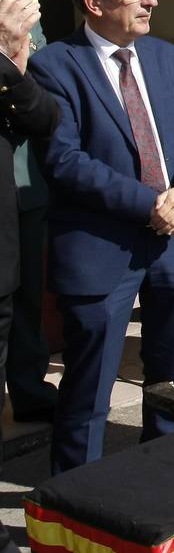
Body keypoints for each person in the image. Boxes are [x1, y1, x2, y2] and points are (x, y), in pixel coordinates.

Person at [30, 0, 174, 475]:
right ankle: (76, 508)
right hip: (100, 248)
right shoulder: (54, 66)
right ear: (94, 1)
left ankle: (163, 487)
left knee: (172, 385)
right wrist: (152, 203)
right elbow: (65, 161)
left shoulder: (165, 56)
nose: (151, 0)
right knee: (88, 393)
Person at [0, 0, 59, 552]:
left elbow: (39, 102)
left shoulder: (20, 28)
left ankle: (28, 380)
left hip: (26, 183)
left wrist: (17, 52)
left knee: (24, 293)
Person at [7, 22, 58, 423]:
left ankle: (28, 389)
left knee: (27, 296)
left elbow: (44, 87)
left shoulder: (18, 17)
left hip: (25, 182)